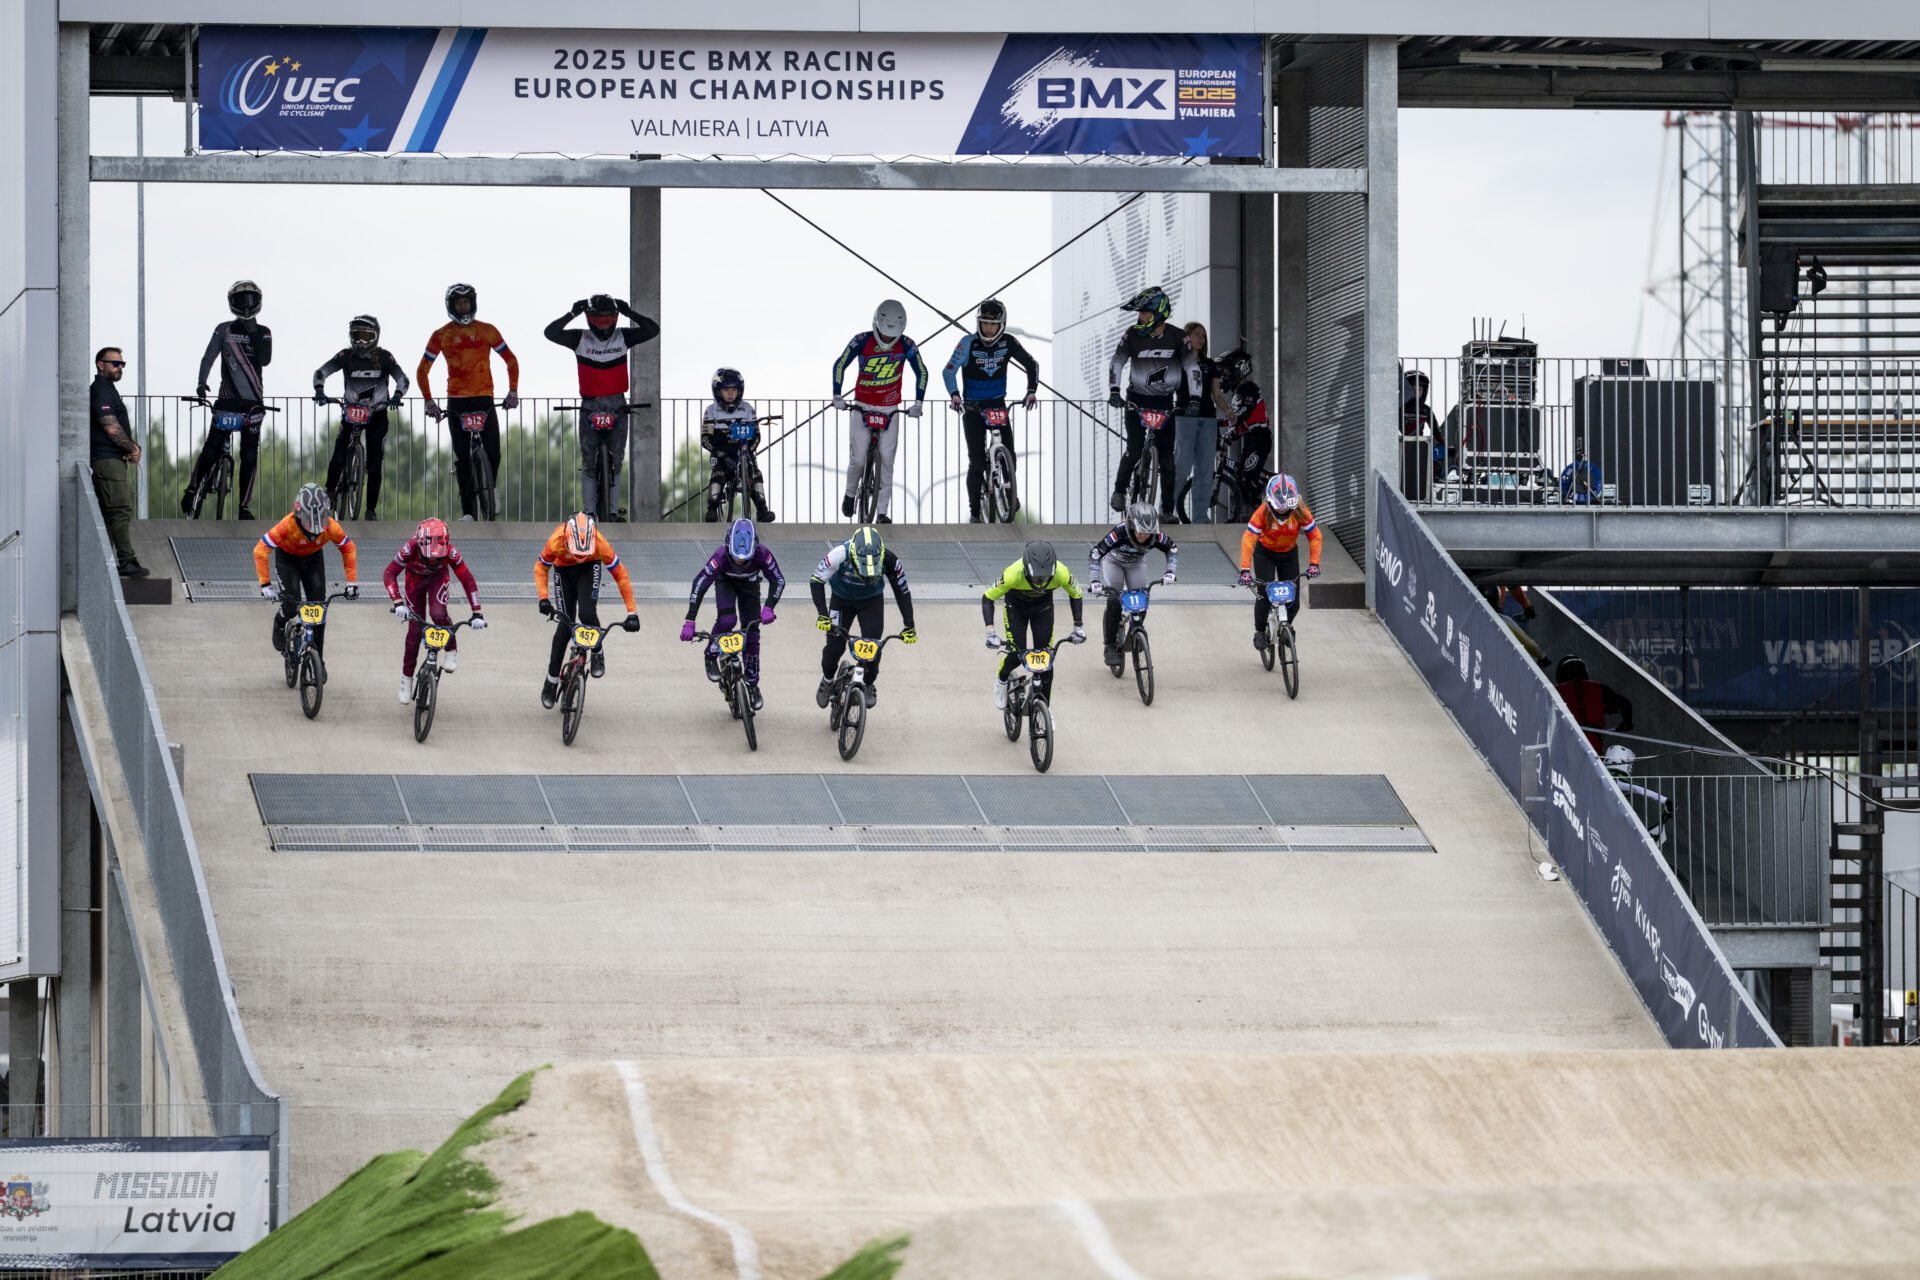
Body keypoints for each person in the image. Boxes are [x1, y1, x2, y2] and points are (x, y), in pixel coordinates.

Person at [543, 293, 660, 521]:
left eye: (609, 319)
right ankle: (589, 511)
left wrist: (629, 313)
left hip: (617, 403)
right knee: (588, 460)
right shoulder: (580, 338)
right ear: (589, 319)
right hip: (591, 404)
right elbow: (550, 333)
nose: (605, 325)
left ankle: (612, 511)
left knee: (617, 459)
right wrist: (572, 313)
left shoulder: (623, 336)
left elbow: (652, 329)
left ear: (616, 318)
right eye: (599, 320)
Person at [417, 283, 519, 520]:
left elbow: (511, 360)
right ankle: (468, 513)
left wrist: (513, 391)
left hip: (484, 399)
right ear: (451, 306)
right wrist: (428, 401)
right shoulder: (440, 335)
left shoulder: (488, 330)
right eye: (459, 303)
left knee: (494, 452)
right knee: (462, 458)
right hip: (457, 401)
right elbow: (422, 370)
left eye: (466, 303)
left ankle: (491, 487)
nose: (463, 307)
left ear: (473, 304)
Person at [831, 299, 928, 523]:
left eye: (891, 335)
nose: (886, 338)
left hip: (890, 408)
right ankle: (850, 493)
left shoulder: (907, 344)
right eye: (883, 333)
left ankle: (882, 512)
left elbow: (922, 372)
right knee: (858, 459)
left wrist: (918, 403)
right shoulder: (861, 339)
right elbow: (840, 364)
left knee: (887, 461)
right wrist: (837, 395)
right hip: (862, 405)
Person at [942, 299, 1039, 523]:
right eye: (984, 323)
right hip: (972, 407)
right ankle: (975, 512)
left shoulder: (1009, 342)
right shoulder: (967, 343)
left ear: (1001, 325)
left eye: (992, 325)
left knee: (1010, 454)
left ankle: (1009, 491)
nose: (987, 328)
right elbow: (948, 370)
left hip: (997, 405)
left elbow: (1031, 364)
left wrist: (1031, 391)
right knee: (976, 462)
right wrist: (955, 395)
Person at [1106, 286, 1200, 516]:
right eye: (1139, 313)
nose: (1140, 317)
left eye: (1144, 312)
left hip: (1165, 403)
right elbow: (1117, 361)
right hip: (1136, 401)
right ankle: (1119, 491)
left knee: (1167, 460)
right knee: (1134, 449)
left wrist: (1195, 399)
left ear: (1158, 312)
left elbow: (1192, 367)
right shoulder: (1131, 334)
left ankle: (1167, 511)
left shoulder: (1179, 337)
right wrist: (1115, 392)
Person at [185, 279, 272, 520]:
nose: (246, 306)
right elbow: (208, 358)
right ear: (232, 303)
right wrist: (201, 383)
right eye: (241, 301)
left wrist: (252, 330)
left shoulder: (264, 332)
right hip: (227, 400)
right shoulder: (223, 329)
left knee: (249, 456)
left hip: (253, 404)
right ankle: (192, 490)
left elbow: (265, 360)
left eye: (251, 300)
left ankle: (244, 508)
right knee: (211, 449)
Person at [535, 511, 639, 709]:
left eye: (584, 554)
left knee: (587, 613)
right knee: (565, 624)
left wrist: (632, 613)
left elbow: (621, 575)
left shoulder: (599, 542)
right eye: (578, 554)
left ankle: (597, 650)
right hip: (563, 571)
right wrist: (543, 598)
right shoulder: (556, 540)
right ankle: (551, 680)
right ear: (567, 541)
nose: (580, 558)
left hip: (589, 570)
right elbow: (541, 568)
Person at [680, 518, 783, 710]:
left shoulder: (762, 553)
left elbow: (778, 580)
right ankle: (710, 655)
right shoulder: (720, 555)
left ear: (755, 548)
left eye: (745, 559)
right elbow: (700, 584)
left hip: (750, 585)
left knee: (751, 632)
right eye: (736, 558)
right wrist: (690, 620)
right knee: (727, 620)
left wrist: (769, 606)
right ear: (728, 547)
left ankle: (753, 685)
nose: (740, 562)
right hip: (725, 582)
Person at [313, 315, 410, 521]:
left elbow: (402, 378)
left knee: (375, 462)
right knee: (339, 452)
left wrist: (397, 395)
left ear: (376, 337)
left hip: (377, 413)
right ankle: (330, 491)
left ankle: (370, 509)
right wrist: (319, 390)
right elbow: (321, 371)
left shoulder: (384, 357)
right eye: (357, 336)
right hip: (351, 412)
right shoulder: (345, 355)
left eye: (366, 336)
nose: (361, 341)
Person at [811, 524, 916, 708]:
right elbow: (816, 580)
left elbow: (902, 591)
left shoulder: (890, 559)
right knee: (834, 647)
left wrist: (909, 625)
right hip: (841, 600)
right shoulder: (839, 554)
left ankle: (868, 683)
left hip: (871, 601)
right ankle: (827, 680)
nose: (866, 578)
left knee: (873, 646)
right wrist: (822, 614)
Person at [383, 517, 484, 704]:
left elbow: (467, 578)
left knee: (438, 614)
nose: (433, 560)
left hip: (438, 578)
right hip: (414, 581)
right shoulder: (410, 547)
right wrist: (397, 602)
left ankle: (451, 649)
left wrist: (477, 612)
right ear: (420, 546)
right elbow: (389, 572)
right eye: (428, 556)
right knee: (415, 628)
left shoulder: (451, 551)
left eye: (438, 557)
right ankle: (406, 678)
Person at [254, 483, 358, 659]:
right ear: (298, 515)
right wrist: (265, 584)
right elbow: (260, 550)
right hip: (288, 559)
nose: (315, 529)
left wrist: (352, 583)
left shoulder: (332, 527)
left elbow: (348, 548)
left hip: (312, 560)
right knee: (291, 606)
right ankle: (279, 622)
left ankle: (319, 661)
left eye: (321, 521)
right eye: (309, 522)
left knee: (319, 610)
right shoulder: (287, 525)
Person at [982, 540, 1086, 710]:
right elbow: (988, 598)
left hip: (1042, 609)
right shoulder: (1012, 574)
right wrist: (990, 632)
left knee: (1046, 659)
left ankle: (1045, 710)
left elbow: (1076, 594)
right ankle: (1001, 680)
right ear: (1025, 570)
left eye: (1044, 578)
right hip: (1016, 608)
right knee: (1016, 653)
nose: (1040, 582)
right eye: (1036, 577)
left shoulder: (1062, 572)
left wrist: (1078, 627)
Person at [1237, 473, 1321, 654]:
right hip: (1265, 554)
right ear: (1269, 502)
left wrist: (1314, 564)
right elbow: (1249, 539)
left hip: (1288, 555)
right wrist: (1245, 570)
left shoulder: (1300, 511)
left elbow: (1315, 535)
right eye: (1278, 508)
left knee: (1294, 601)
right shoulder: (1262, 512)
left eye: (1286, 508)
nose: (1282, 512)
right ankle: (1260, 631)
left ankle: (1286, 627)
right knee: (1264, 594)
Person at [1088, 503, 1178, 668]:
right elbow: (1096, 553)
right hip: (1114, 562)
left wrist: (1170, 571)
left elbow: (1171, 548)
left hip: (1136, 563)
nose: (1143, 535)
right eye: (1139, 531)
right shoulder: (1119, 532)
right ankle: (1110, 645)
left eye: (1147, 532)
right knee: (1114, 599)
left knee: (1140, 600)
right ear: (1130, 526)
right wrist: (1095, 581)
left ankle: (1135, 632)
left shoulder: (1156, 536)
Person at [89, 346, 148, 578]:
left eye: (122, 364)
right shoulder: (101, 390)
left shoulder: (108, 389)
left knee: (108, 513)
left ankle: (102, 562)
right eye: (115, 363)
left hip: (110, 459)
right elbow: (110, 425)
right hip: (107, 459)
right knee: (119, 510)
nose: (120, 367)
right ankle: (127, 560)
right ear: (100, 364)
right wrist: (132, 447)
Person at [1171, 322, 1231, 524]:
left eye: (1203, 336)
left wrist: (1229, 411)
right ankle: (1166, 511)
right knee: (1182, 466)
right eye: (1197, 334)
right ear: (1187, 336)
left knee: (1205, 470)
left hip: (1207, 420)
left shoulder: (1209, 364)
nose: (1201, 338)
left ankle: (1200, 517)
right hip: (1184, 418)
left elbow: (1217, 395)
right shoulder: (1177, 361)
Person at [701, 367, 774, 523]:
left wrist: (747, 452)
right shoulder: (710, 411)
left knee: (755, 474)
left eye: (734, 389)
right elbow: (705, 440)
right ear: (717, 391)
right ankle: (712, 509)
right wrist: (722, 455)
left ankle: (762, 510)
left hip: (744, 451)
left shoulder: (748, 409)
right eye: (726, 390)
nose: (730, 393)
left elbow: (757, 436)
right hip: (721, 454)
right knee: (719, 474)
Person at [1215, 348, 1271, 516]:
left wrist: (1222, 423)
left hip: (1260, 439)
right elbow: (1240, 423)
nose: (1224, 375)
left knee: (1248, 477)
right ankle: (1250, 506)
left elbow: (1243, 415)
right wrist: (1228, 433)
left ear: (1239, 369)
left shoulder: (1250, 389)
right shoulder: (1238, 393)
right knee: (1240, 476)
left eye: (1226, 371)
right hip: (1250, 439)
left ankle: (1272, 500)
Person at [1555, 655, 1634, 754]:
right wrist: (1626, 723)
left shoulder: (1556, 691)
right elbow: (1625, 704)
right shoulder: (1599, 688)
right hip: (1593, 743)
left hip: (1566, 741)